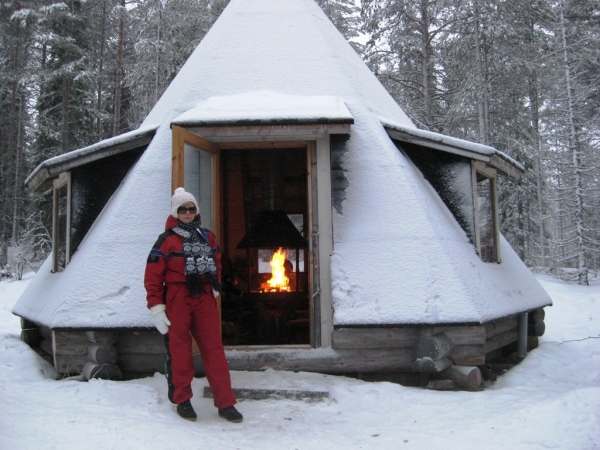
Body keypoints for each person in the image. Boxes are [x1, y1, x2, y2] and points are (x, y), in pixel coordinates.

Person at [144, 187, 243, 423]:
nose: (187, 213)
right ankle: (182, 399)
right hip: (178, 296)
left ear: (196, 211)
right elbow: (153, 276)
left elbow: (217, 261)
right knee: (180, 351)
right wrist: (156, 306)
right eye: (182, 209)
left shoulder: (207, 236)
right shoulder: (166, 240)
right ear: (175, 212)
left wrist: (215, 285)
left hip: (204, 297)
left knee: (214, 350)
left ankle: (225, 402)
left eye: (191, 209)